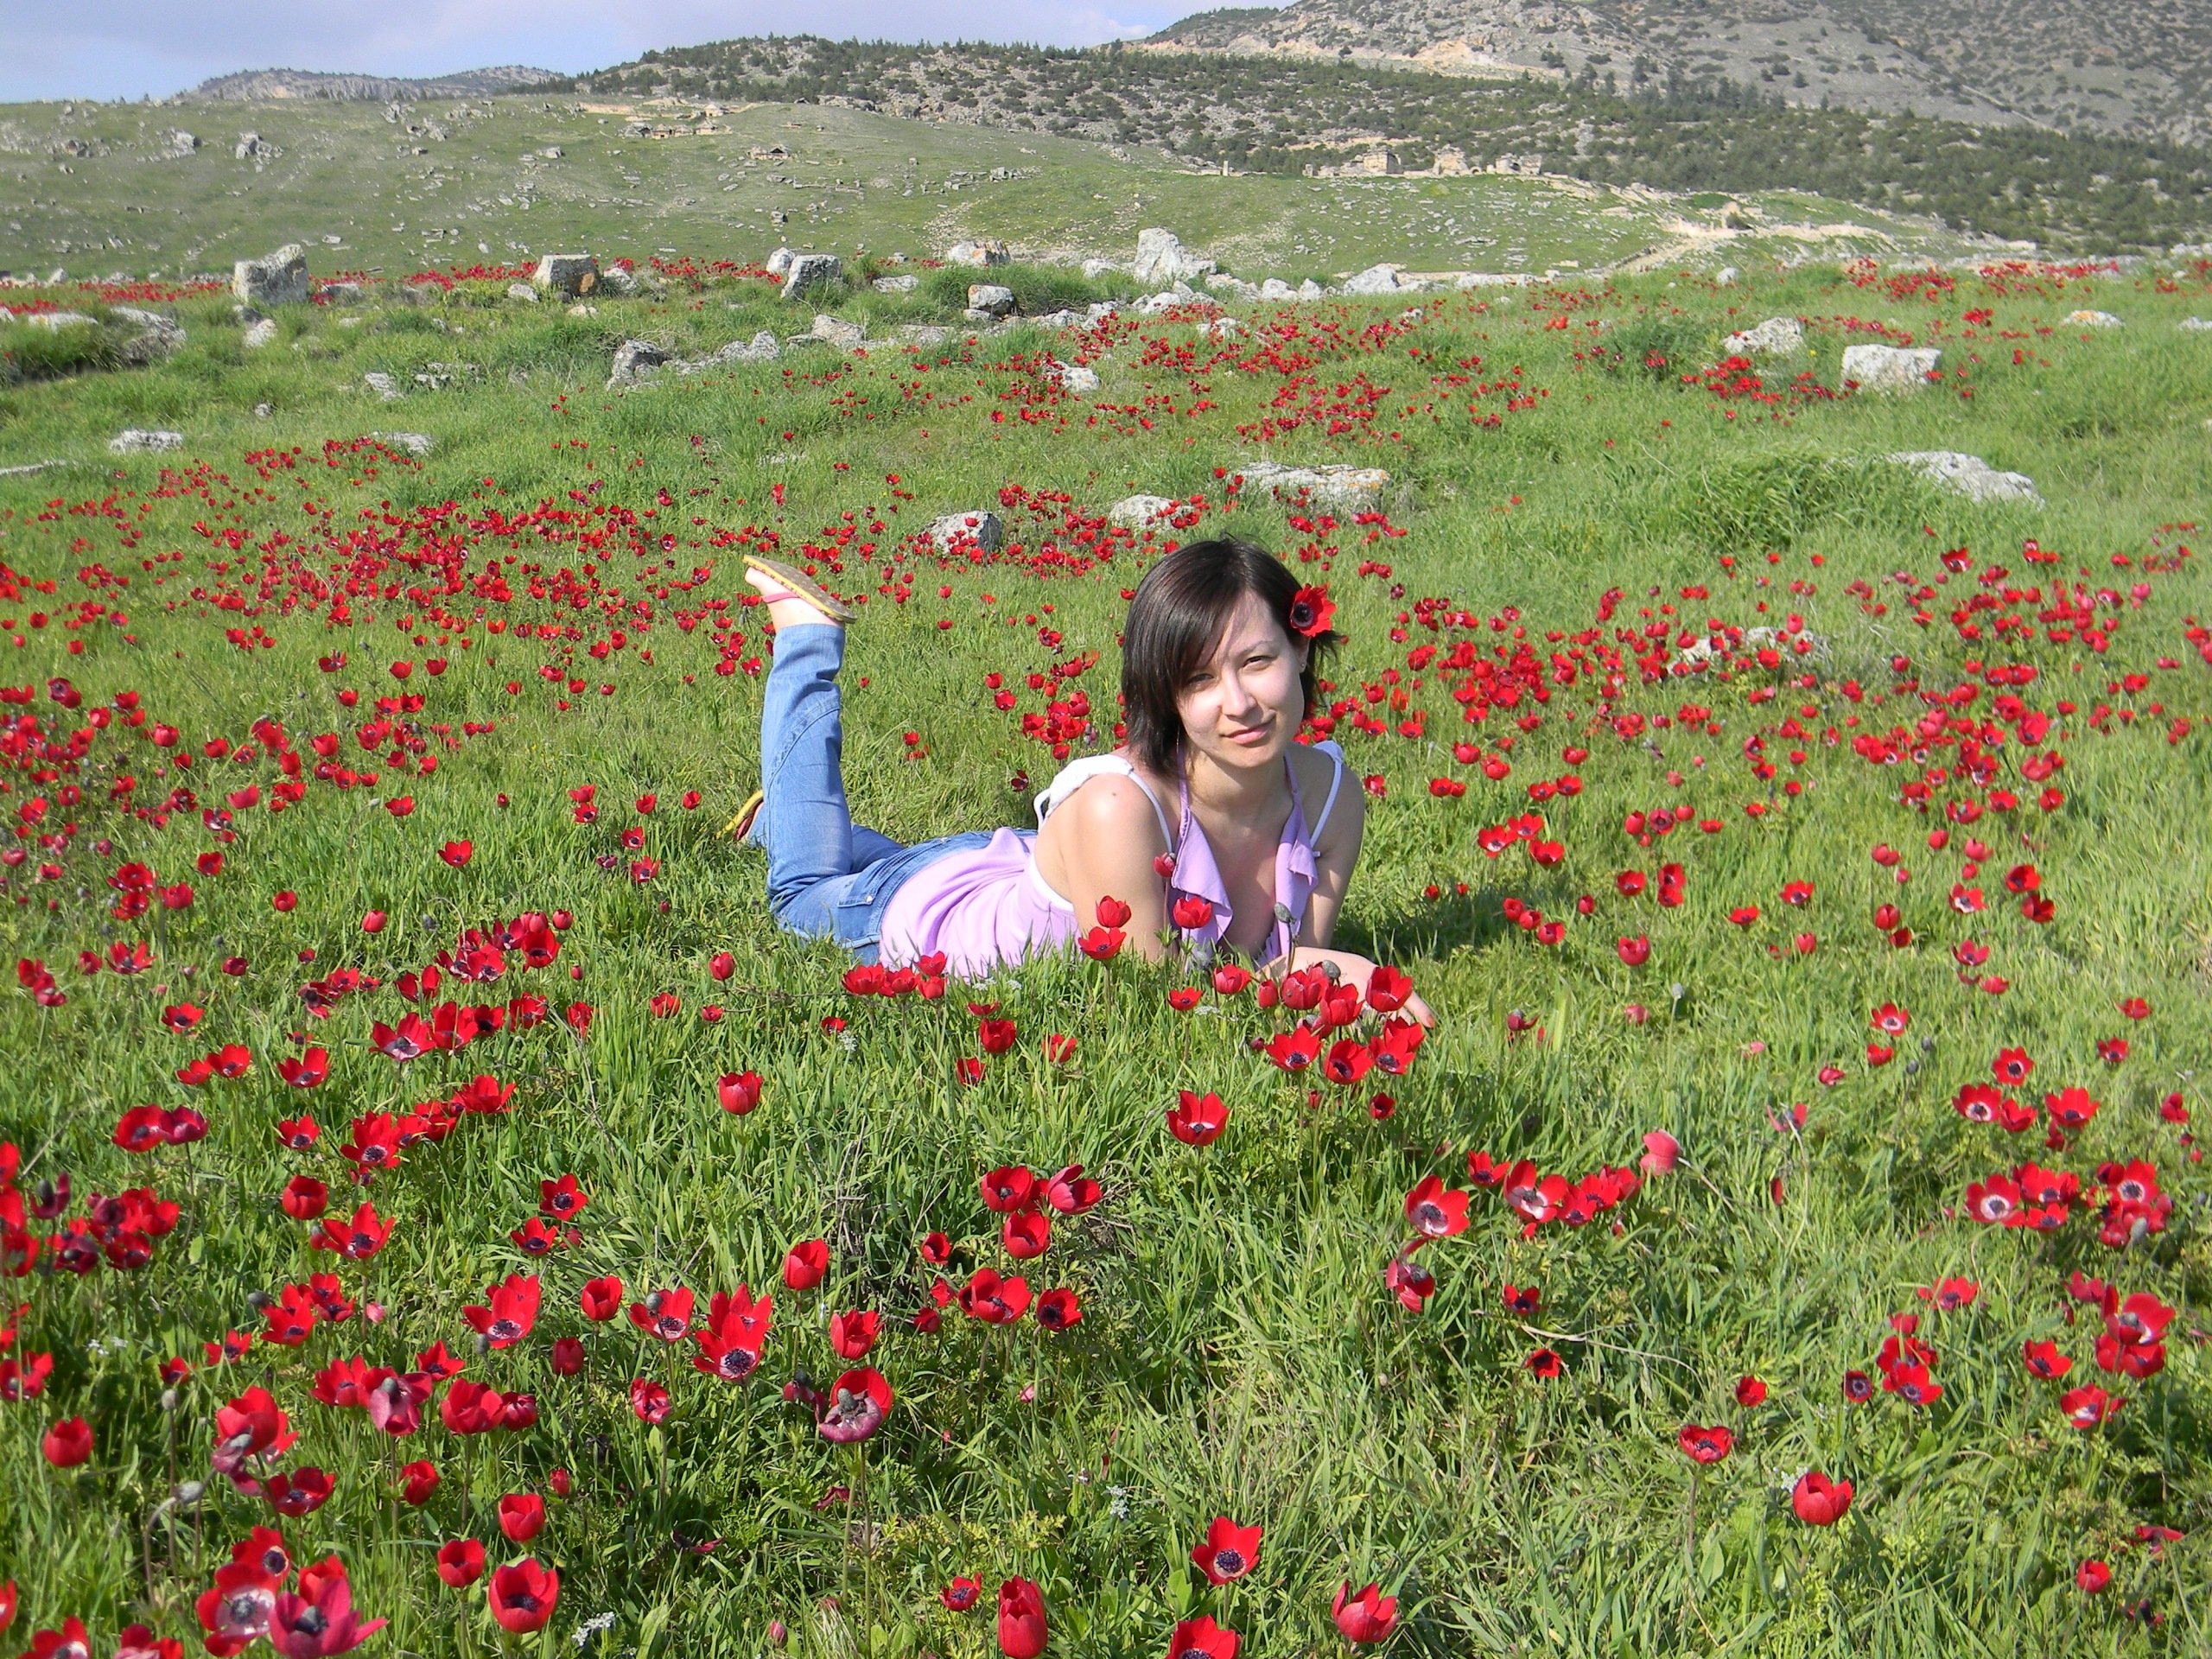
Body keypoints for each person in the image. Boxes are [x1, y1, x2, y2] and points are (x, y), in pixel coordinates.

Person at [734, 537, 1430, 1020]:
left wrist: (1337, 977)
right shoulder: (1117, 808)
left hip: (1025, 861)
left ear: (1301, 649)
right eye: (1199, 680)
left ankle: (787, 819)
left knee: (843, 852)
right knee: (802, 891)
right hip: (928, 918)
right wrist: (1336, 975)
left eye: (1256, 662)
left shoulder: (1330, 796)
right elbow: (1158, 1008)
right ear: (1166, 694)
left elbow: (1291, 964)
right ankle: (805, 643)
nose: (1240, 703)